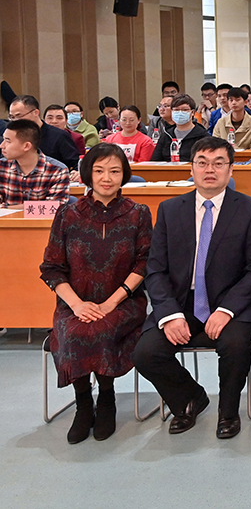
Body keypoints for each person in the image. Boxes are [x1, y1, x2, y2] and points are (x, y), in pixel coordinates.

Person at [132, 137, 251, 439]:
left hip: (230, 303)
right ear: (191, 168)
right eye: (202, 163)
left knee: (235, 346)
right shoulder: (170, 210)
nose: (210, 170)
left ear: (230, 169)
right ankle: (189, 399)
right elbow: (155, 269)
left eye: (219, 163)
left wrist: (227, 309)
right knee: (145, 352)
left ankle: (228, 412)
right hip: (181, 302)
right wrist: (169, 314)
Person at [41, 144, 151, 444]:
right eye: (99, 170)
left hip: (123, 302)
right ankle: (83, 403)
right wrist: (77, 305)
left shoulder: (138, 213)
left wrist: (110, 303)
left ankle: (106, 398)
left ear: (124, 174)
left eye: (114, 171)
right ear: (87, 174)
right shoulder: (68, 213)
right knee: (74, 330)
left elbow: (144, 264)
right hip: (74, 302)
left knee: (102, 328)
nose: (107, 178)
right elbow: (51, 267)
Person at [0, 119, 70, 206]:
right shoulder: (2, 166)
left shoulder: (57, 170)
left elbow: (53, 207)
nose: (2, 146)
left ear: (26, 146)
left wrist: (7, 208)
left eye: (8, 141)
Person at [8, 96, 81, 169]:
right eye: (12, 117)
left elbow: (76, 164)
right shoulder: (11, 135)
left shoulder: (59, 135)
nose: (15, 121)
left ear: (35, 112)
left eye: (19, 116)